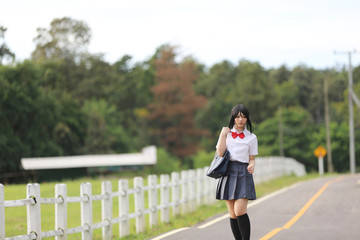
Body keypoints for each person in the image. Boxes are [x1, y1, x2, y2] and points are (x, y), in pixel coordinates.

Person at [216, 104, 258, 240]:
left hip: (243, 173)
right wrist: (223, 135)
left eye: (243, 117)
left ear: (247, 119)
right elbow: (221, 153)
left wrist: (252, 165)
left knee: (239, 211)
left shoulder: (252, 137)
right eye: (238, 116)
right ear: (233, 118)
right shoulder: (226, 134)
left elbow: (252, 159)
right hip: (228, 172)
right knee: (232, 214)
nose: (240, 119)